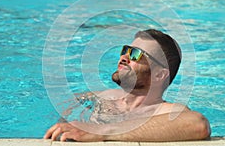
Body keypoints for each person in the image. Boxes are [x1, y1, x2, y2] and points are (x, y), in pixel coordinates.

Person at [44, 29, 211, 142]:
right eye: (126, 50)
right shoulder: (94, 98)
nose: (124, 57)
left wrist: (100, 132)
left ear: (160, 74)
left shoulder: (165, 111)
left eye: (136, 54)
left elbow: (198, 124)